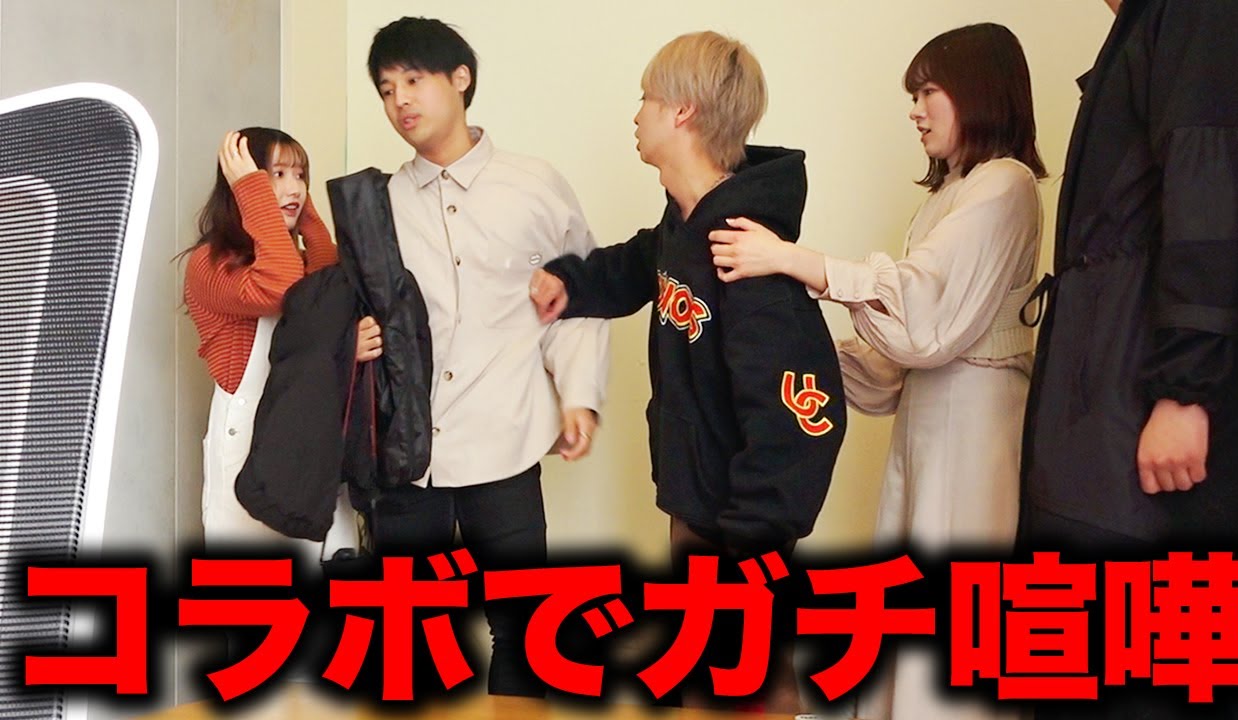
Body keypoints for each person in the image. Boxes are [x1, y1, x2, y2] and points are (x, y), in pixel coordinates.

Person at [708, 23, 1046, 720]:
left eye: (929, 92)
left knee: (953, 582)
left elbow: (925, 313)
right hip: (932, 410)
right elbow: (902, 350)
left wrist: (794, 262)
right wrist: (796, 352)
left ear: (979, 91)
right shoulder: (952, 193)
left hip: (974, 415)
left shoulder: (1004, 184)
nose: (916, 111)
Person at [529, 31, 845, 714]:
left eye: (646, 98)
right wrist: (571, 283)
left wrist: (750, 545)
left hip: (740, 532)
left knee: (745, 689)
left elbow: (801, 420)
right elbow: (644, 260)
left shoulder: (746, 255)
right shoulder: (687, 224)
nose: (635, 113)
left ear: (682, 112)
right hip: (698, 503)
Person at [1018, 1, 1238, 718]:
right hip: (1108, 409)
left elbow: (1216, 196)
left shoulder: (1207, 12)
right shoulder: (1152, 21)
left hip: (1145, 415)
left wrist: (1184, 394)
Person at [363, 17, 609, 697]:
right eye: (386, 89)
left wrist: (579, 397)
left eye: (413, 80)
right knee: (407, 639)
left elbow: (578, 295)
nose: (400, 100)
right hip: (408, 453)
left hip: (507, 440)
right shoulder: (377, 204)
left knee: (524, 633)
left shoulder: (534, 184)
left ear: (460, 78)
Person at [183, 128, 374, 560]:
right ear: (242, 187)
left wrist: (306, 219)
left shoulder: (296, 260)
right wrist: (253, 193)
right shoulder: (211, 263)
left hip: (311, 440)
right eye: (277, 174)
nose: (294, 188)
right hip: (250, 448)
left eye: (301, 176)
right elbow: (283, 289)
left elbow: (327, 286)